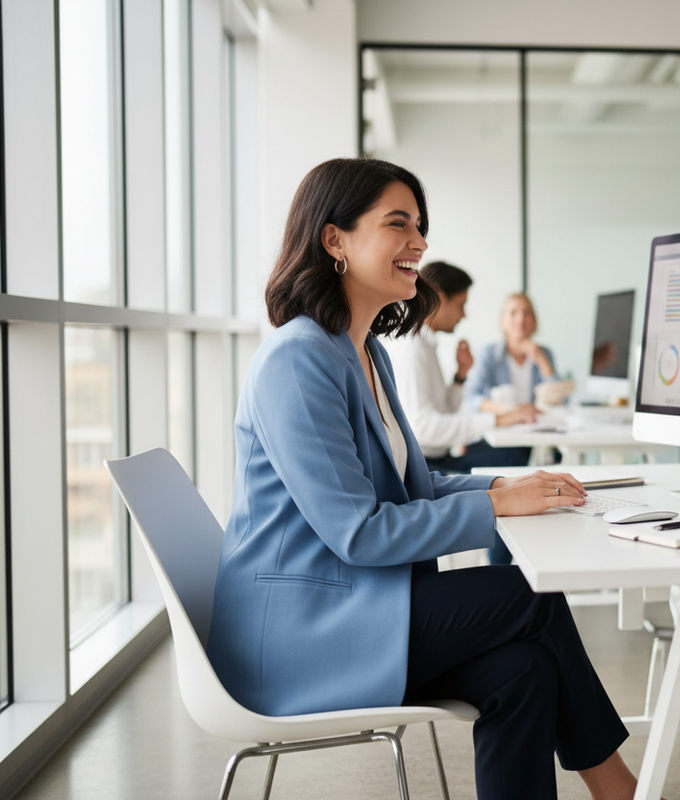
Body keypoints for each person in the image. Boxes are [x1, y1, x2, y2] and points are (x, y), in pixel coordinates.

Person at [205, 158, 641, 800]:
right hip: (299, 636)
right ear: (335, 240)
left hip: (359, 607)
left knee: (524, 670)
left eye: (420, 225)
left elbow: (412, 488)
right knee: (531, 596)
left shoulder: (365, 352)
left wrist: (504, 490)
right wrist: (499, 509)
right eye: (398, 223)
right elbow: (359, 532)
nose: (420, 242)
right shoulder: (297, 359)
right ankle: (622, 792)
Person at [386, 260, 538, 474]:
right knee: (512, 455)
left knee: (516, 450)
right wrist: (498, 419)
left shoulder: (425, 344)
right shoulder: (412, 347)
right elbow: (422, 427)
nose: (464, 315)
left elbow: (443, 412)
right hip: (423, 467)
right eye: (461, 305)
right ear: (439, 297)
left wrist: (460, 376)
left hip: (439, 458)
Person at [463, 293, 559, 414]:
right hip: (501, 422)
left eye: (526, 313)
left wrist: (542, 362)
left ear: (534, 320)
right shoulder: (488, 354)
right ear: (503, 321)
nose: (521, 319)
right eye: (513, 313)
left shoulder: (545, 354)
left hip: (537, 423)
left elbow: (559, 400)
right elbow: (470, 398)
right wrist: (505, 409)